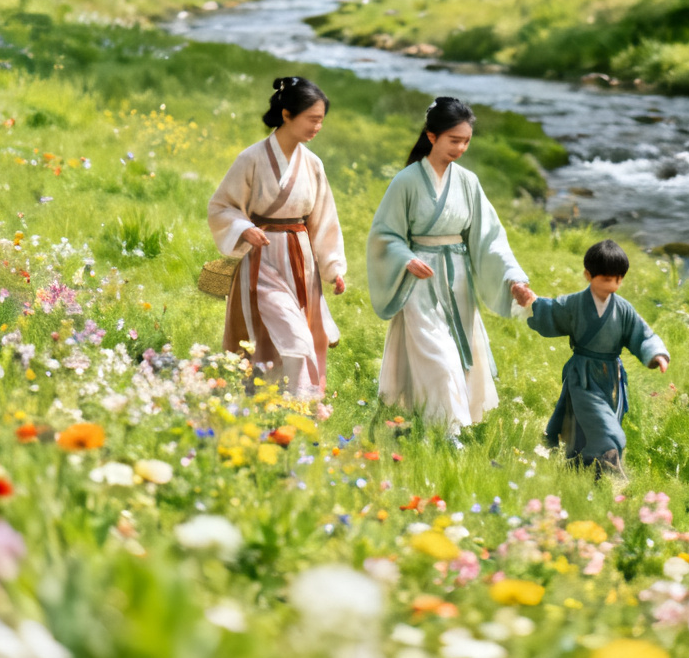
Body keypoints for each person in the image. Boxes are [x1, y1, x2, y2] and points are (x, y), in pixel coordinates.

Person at [367, 97, 535, 442]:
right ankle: (448, 431)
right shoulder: (406, 181)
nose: (460, 148)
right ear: (432, 136)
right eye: (453, 140)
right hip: (418, 281)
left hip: (458, 282)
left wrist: (513, 277)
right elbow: (385, 234)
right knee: (437, 356)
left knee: (457, 353)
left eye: (466, 141)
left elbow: (490, 238)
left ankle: (434, 423)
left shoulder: (469, 182)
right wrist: (405, 258)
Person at [208, 76, 346, 399]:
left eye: (321, 121)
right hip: (262, 260)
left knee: (298, 332)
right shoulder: (251, 159)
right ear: (287, 115)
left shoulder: (313, 165)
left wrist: (334, 267)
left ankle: (292, 401)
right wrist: (244, 229)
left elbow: (324, 220)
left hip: (300, 263)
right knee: (284, 332)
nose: (317, 127)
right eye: (312, 119)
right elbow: (221, 207)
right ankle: (272, 396)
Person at [526, 239, 669, 477]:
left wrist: (656, 354)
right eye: (606, 279)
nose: (613, 285)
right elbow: (550, 312)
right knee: (602, 422)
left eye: (618, 279)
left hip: (611, 376)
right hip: (582, 375)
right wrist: (531, 303)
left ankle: (581, 464)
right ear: (588, 275)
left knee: (588, 420)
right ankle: (611, 462)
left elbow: (642, 334)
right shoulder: (574, 304)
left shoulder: (623, 309)